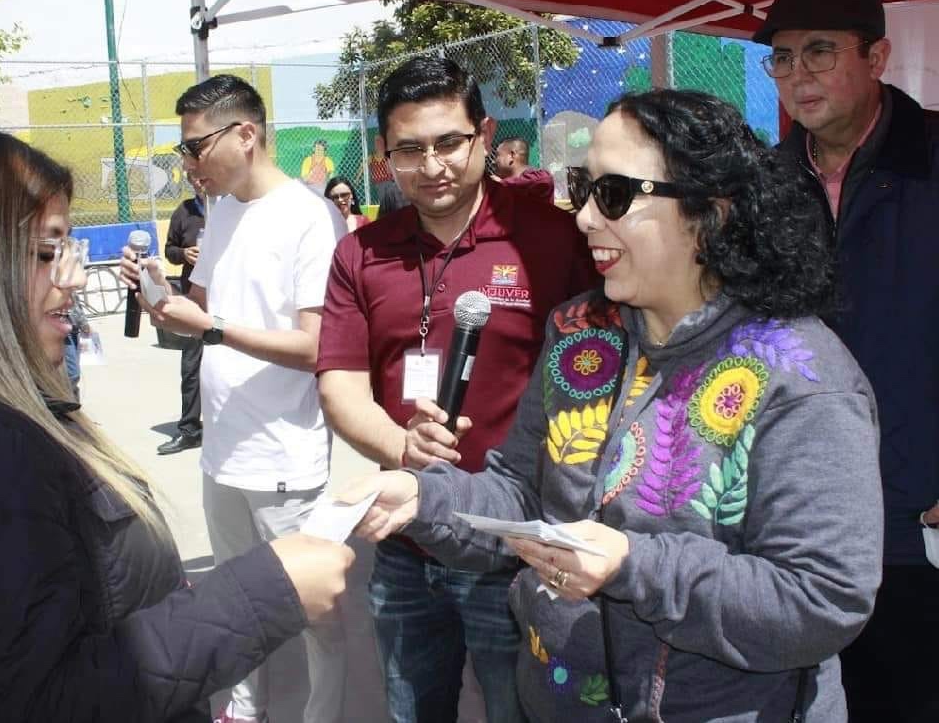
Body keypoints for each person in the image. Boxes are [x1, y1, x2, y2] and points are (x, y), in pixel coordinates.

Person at [342, 89, 884, 722]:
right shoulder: (579, 332)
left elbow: (822, 598)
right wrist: (425, 498)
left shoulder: (802, 378)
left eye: (616, 195)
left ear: (710, 211)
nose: (585, 219)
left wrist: (632, 565)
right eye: (583, 186)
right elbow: (520, 494)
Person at [0, 123, 354, 722]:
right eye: (47, 252)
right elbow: (47, 699)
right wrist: (262, 594)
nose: (71, 278)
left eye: (67, 248)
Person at [317, 56, 598, 723]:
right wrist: (401, 447)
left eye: (450, 142)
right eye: (409, 149)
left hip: (515, 543)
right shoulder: (360, 252)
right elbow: (340, 386)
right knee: (412, 707)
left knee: (515, 709)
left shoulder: (552, 240)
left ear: (482, 133)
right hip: (406, 543)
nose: (433, 165)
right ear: (384, 156)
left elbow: (595, 378)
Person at [121, 74, 347, 723]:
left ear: (245, 134)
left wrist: (212, 328)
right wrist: (159, 299)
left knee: (312, 614)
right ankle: (243, 712)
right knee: (231, 604)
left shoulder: (311, 217)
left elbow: (316, 345)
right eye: (183, 152)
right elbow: (199, 313)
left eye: (196, 148)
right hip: (222, 452)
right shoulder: (221, 213)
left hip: (282, 455)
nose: (188, 165)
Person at [752, 0, 939, 722]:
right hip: (796, 507)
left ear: (877, 55)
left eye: (819, 52)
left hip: (917, 508)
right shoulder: (765, 184)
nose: (798, 76)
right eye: (783, 58)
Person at [157, 193, 209, 455]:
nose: (198, 181)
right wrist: (183, 254)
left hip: (231, 301)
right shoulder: (185, 211)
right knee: (191, 368)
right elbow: (170, 251)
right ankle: (190, 430)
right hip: (195, 302)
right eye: (193, 177)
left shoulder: (232, 206)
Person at [492, 135, 554, 203]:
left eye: (497, 155)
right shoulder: (506, 188)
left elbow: (544, 179)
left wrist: (502, 184)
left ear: (512, 156)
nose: (493, 161)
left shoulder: (539, 178)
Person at [62, 296, 91, 402]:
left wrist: (83, 323)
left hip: (74, 329)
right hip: (63, 329)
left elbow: (75, 302)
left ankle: (74, 404)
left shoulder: (68, 283)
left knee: (73, 371)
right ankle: (69, 403)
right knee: (73, 373)